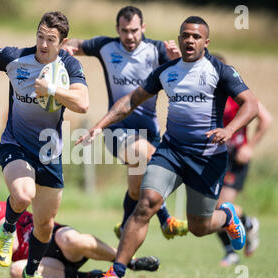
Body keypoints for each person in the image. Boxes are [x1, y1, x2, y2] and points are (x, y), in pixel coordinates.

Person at [77, 16, 260, 278]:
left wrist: (230, 130)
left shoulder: (220, 70)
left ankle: (227, 216)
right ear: (179, 39)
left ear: (206, 42)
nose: (190, 40)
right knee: (146, 203)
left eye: (196, 37)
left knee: (199, 227)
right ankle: (116, 273)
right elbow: (130, 101)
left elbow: (251, 104)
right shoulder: (167, 71)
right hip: (171, 152)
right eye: (185, 35)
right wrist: (99, 125)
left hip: (207, 158)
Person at [0, 12, 89, 278]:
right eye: (40, 36)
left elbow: (82, 103)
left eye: (50, 39)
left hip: (50, 153)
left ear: (62, 42)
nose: (42, 43)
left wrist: (52, 90)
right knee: (23, 194)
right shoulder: (16, 59)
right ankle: (8, 229)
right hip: (15, 144)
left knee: (45, 225)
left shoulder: (69, 66)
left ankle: (31, 272)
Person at [62, 5, 188, 240]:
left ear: (143, 28)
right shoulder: (106, 47)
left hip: (149, 131)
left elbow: (182, 78)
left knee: (136, 188)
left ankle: (123, 228)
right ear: (117, 29)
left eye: (134, 30)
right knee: (150, 156)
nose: (129, 36)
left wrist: (177, 61)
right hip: (116, 130)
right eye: (124, 31)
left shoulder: (157, 50)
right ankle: (166, 219)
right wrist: (64, 48)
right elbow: (76, 45)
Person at [0, 195, 160, 278]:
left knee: (75, 241)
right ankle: (89, 276)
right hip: (45, 263)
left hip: (55, 239)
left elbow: (11, 244)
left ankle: (130, 261)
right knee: (17, 271)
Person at [213, 54, 273, 267]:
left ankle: (246, 225)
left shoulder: (237, 93)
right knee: (210, 208)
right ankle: (233, 247)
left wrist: (250, 145)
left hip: (235, 158)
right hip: (214, 157)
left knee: (222, 206)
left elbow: (265, 118)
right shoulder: (205, 95)